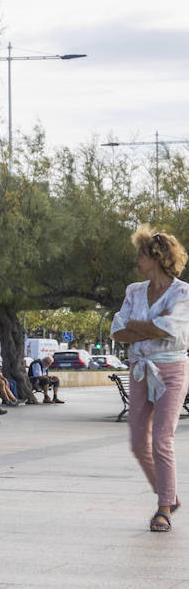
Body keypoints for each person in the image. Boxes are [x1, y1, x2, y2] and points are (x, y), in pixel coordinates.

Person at [110, 226, 189, 533]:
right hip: (140, 368)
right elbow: (118, 331)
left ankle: (164, 508)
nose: (136, 260)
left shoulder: (182, 292)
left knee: (161, 440)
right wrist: (151, 326)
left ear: (157, 256)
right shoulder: (133, 291)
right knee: (138, 443)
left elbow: (168, 329)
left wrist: (138, 328)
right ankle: (169, 494)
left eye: (141, 254)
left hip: (171, 369)